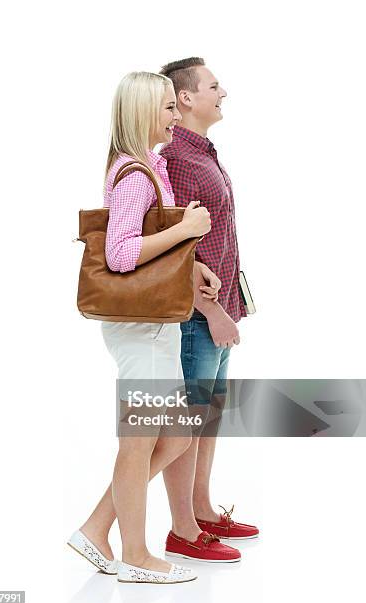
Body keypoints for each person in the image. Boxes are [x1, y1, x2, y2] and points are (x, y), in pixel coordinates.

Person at [68, 71, 220, 584]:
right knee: (139, 443)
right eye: (167, 109)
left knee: (175, 435)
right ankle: (135, 553)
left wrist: (189, 261)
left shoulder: (149, 168)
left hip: (156, 327)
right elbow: (121, 253)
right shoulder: (135, 174)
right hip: (145, 328)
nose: (175, 116)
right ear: (143, 113)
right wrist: (185, 229)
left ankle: (96, 526)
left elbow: (146, 241)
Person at [158, 57, 259, 562]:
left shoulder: (202, 152)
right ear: (186, 98)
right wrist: (212, 311)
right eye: (214, 85)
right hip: (195, 316)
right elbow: (174, 249)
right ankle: (181, 529)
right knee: (187, 422)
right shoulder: (175, 156)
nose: (224, 92)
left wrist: (229, 307)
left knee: (209, 417)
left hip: (218, 313)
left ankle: (200, 509)